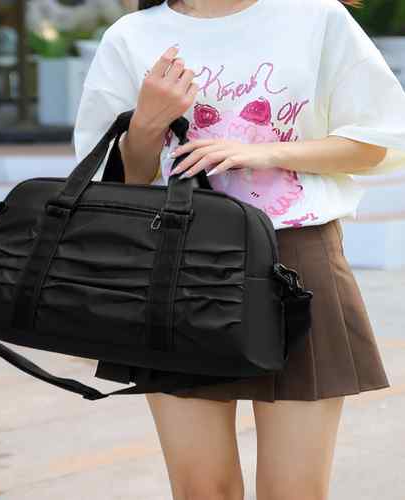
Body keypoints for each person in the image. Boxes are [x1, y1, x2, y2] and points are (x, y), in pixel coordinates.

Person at [72, 1, 405, 498]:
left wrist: (263, 152)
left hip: (296, 262)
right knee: (202, 491)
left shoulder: (316, 17)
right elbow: (118, 185)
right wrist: (145, 124)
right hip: (174, 265)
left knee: (294, 493)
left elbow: (376, 141)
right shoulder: (132, 35)